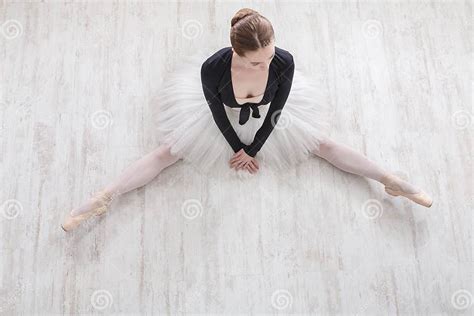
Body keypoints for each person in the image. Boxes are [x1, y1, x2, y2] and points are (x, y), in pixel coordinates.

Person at [61, 8, 432, 232]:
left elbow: (278, 108)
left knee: (323, 144)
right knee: (166, 153)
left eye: (269, 57)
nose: (266, 65)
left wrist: (253, 148)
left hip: (271, 120)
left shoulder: (283, 61)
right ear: (237, 54)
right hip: (222, 116)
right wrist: (238, 147)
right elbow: (214, 111)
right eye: (257, 62)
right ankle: (104, 197)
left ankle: (390, 180)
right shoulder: (214, 69)